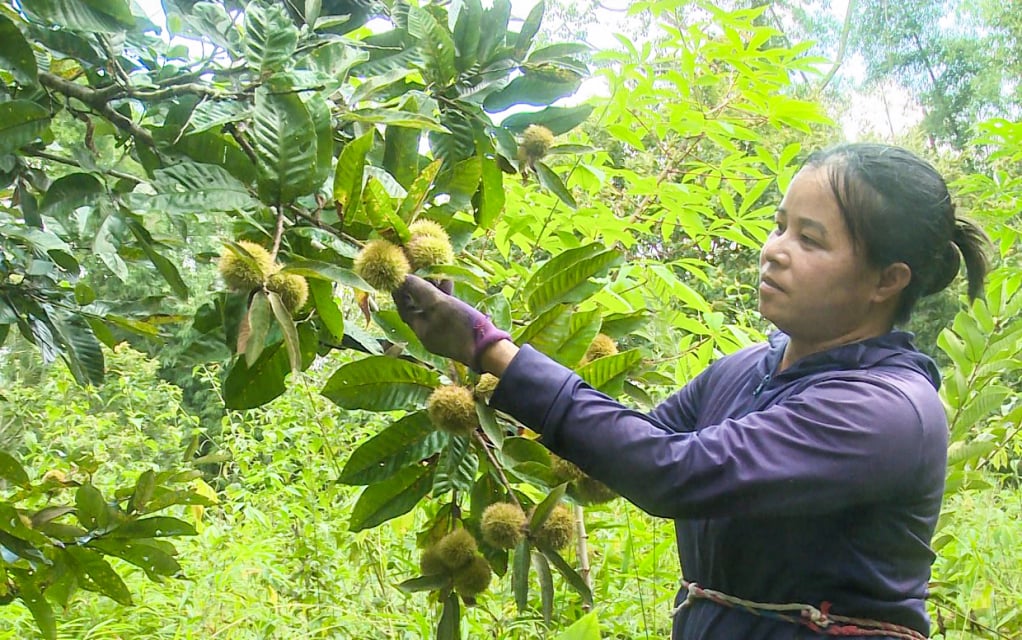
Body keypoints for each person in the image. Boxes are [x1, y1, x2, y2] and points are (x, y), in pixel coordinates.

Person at [391, 143, 991, 639]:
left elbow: (671, 471)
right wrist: (494, 379)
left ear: (887, 280)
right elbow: (635, 441)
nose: (774, 251)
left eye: (810, 240)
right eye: (780, 226)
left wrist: (489, 348)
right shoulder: (748, 368)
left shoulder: (884, 412)